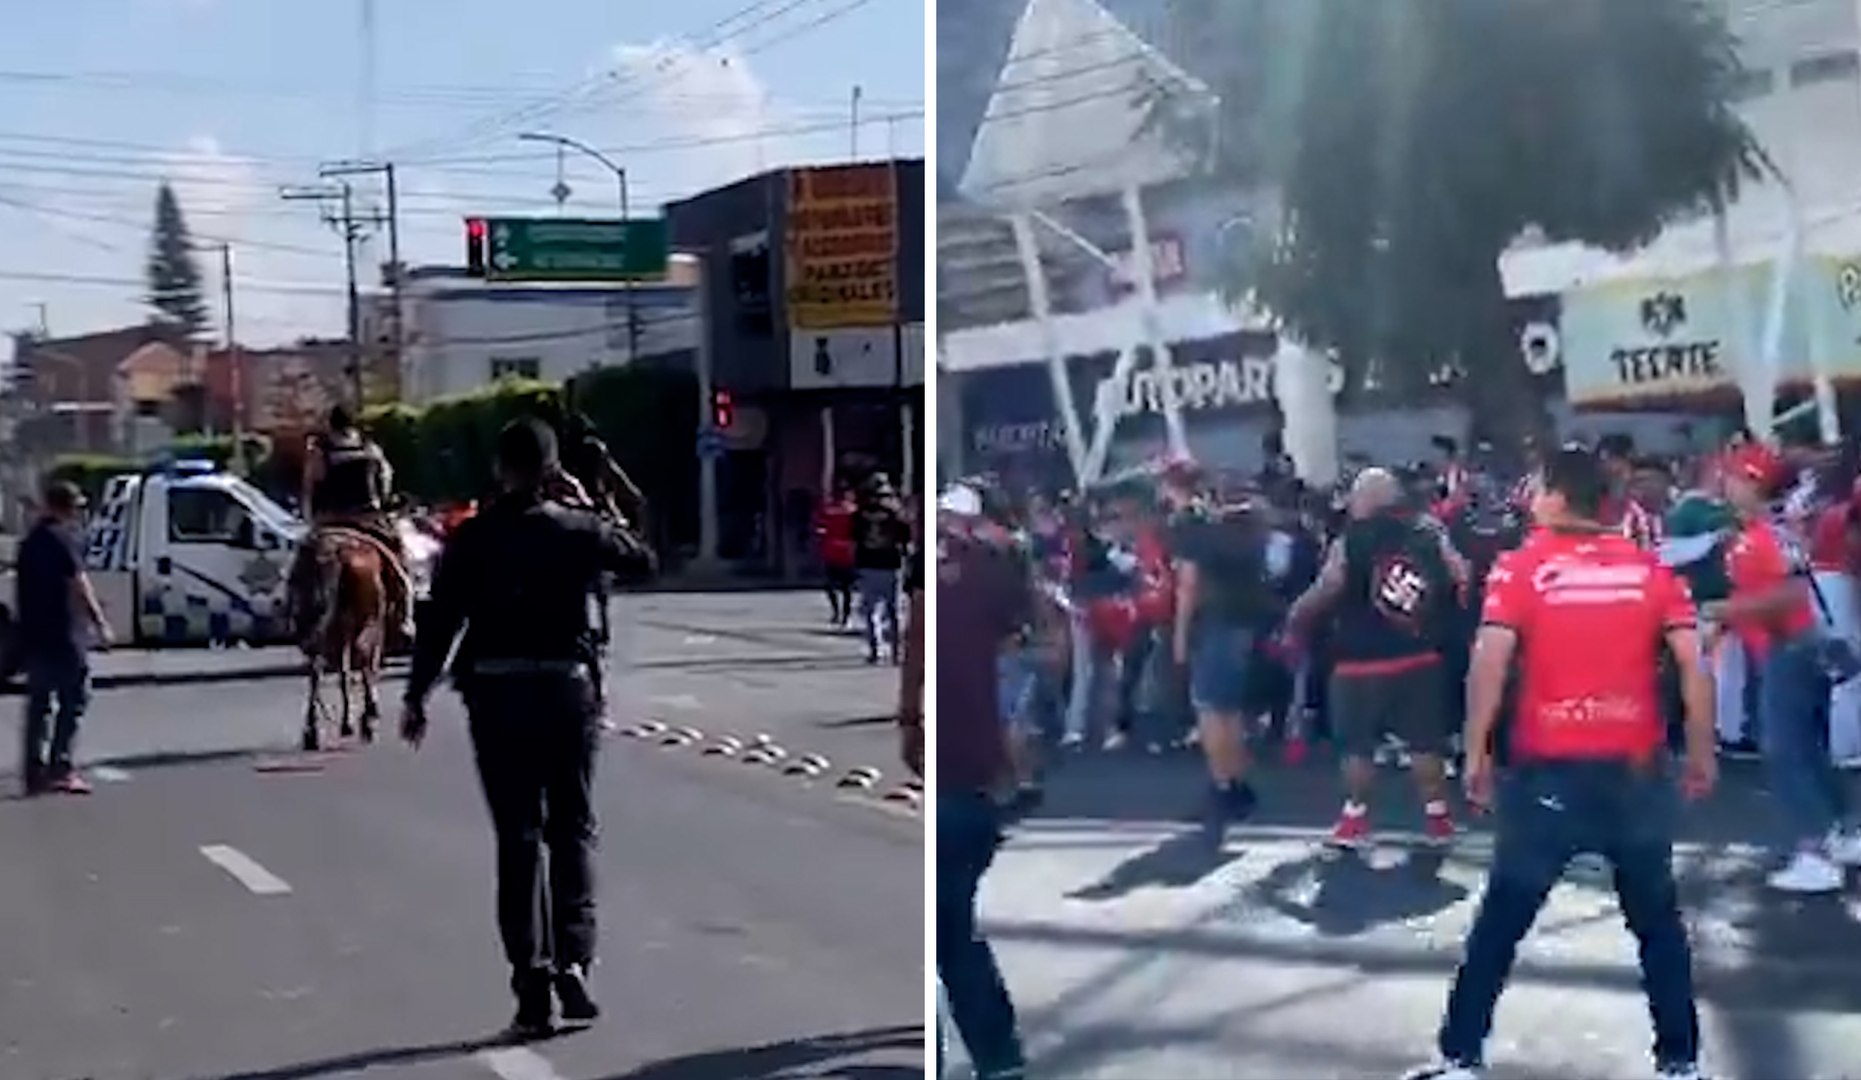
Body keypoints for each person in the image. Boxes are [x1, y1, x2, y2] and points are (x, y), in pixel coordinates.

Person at [1406, 446, 1716, 1080]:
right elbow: (1694, 664)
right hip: (1635, 771)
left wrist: (1476, 750)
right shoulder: (1650, 570)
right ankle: (1680, 1062)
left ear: (1553, 495)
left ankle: (1461, 1056)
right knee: (1658, 923)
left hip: (1548, 773)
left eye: (1536, 486)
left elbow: (1489, 662)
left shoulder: (1520, 568)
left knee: (1501, 922)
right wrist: (1701, 751)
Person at [400, 418, 656, 1038]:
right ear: (551, 470)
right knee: (572, 828)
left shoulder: (471, 538)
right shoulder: (579, 529)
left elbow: (440, 621)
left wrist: (416, 695)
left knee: (517, 839)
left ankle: (531, 985)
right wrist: (591, 503)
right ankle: (575, 960)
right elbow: (643, 559)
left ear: (499, 468)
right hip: (567, 691)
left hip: (495, 694)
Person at [1711, 442, 1861, 893]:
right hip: (1799, 644)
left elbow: (1792, 594)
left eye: (1733, 476)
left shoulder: (1764, 536)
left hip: (1790, 645)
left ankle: (1814, 852)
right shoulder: (1770, 531)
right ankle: (1842, 833)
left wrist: (1720, 611)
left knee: (1787, 749)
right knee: (1808, 747)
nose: (1725, 483)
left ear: (1752, 481)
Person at [1287, 468, 1464, 847]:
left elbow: (1329, 586)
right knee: (1425, 743)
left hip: (1358, 661)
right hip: (1418, 655)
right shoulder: (1428, 532)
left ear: (1366, 500)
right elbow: (1459, 572)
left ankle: (1355, 819)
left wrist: (1298, 616)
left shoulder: (1350, 539)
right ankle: (1438, 818)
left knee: (1357, 746)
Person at [935, 481, 1031, 1080]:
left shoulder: (960, 575)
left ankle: (987, 1055)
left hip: (956, 776)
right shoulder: (992, 574)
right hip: (976, 779)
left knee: (947, 933)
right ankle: (998, 1056)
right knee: (954, 933)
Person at [1172, 491, 1277, 833]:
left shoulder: (1198, 536)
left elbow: (1188, 587)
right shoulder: (1249, 534)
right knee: (1229, 712)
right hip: (1243, 625)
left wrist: (1180, 635)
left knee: (1209, 711)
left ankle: (1222, 786)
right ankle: (1235, 783)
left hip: (1213, 624)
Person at [15, 480, 111, 796]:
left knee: (39, 705)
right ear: (66, 507)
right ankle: (61, 767)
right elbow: (79, 583)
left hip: (35, 634)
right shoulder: (64, 539)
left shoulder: (29, 542)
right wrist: (100, 622)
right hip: (64, 633)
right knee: (74, 699)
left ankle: (34, 772)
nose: (78, 513)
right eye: (77, 507)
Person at [295, 405, 414, 645]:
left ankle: (296, 612)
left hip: (331, 520)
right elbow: (385, 481)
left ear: (330, 424)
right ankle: (405, 617)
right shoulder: (370, 449)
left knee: (302, 566)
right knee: (400, 561)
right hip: (369, 519)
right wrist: (384, 504)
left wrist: (309, 518)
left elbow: (310, 486)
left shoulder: (321, 450)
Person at [852, 474, 910, 664]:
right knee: (894, 612)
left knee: (871, 611)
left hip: (868, 564)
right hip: (891, 565)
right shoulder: (895, 514)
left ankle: (875, 650)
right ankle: (896, 651)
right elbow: (905, 541)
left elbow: (854, 541)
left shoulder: (859, 514)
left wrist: (855, 565)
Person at [817, 482, 858, 627]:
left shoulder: (829, 511)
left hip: (832, 552)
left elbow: (821, 530)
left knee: (831, 585)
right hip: (847, 553)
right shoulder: (853, 511)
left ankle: (836, 612)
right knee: (846, 588)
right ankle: (845, 615)